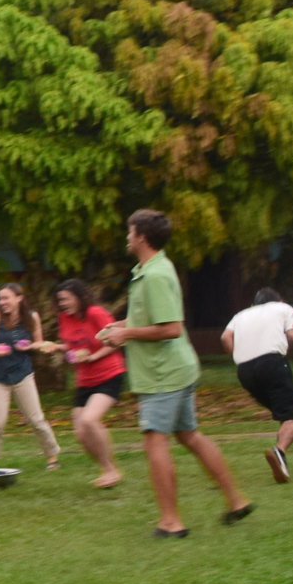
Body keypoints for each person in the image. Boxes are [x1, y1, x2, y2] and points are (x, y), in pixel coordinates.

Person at [98, 209, 251, 536]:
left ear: (141, 236)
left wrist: (126, 335)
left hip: (162, 374)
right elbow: (151, 319)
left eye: (129, 231)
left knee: (155, 442)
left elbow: (170, 327)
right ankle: (236, 500)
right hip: (174, 370)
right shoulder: (149, 270)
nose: (126, 236)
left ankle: (171, 521)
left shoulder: (155, 275)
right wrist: (120, 327)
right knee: (189, 435)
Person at [224, 288, 293, 483]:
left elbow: (225, 338)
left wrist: (240, 355)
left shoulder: (241, 315)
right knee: (291, 415)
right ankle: (279, 453)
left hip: (244, 371)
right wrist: (287, 351)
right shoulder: (283, 308)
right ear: (279, 300)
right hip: (272, 363)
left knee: (286, 415)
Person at [42, 279, 126, 488]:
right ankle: (106, 469)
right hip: (85, 379)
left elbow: (115, 341)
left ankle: (111, 470)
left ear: (79, 297)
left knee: (89, 420)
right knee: (81, 432)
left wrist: (93, 357)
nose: (62, 304)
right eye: (59, 300)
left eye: (66, 299)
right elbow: (73, 345)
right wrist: (58, 348)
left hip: (109, 374)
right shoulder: (64, 317)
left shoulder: (96, 313)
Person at [0, 283, 62, 471]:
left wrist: (32, 346)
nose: (2, 302)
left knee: (36, 419)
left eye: (6, 298)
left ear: (19, 298)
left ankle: (52, 457)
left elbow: (38, 342)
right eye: (0, 299)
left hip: (22, 374)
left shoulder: (31, 317)